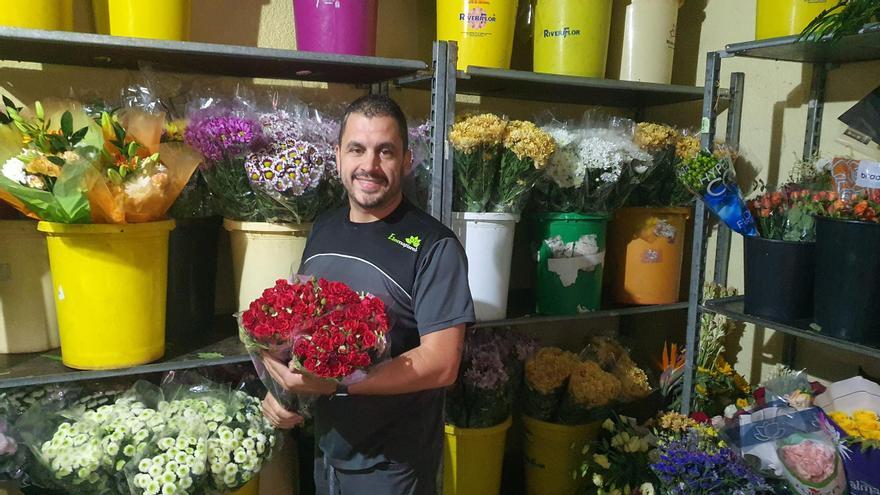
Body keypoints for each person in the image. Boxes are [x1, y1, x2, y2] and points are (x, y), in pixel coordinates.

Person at [260, 94, 475, 495]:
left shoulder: (434, 246)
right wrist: (285, 392)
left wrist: (335, 384)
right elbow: (306, 334)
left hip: (392, 468)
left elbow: (442, 362)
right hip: (327, 454)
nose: (369, 166)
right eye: (357, 149)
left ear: (407, 161)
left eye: (385, 151)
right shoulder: (323, 229)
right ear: (338, 156)